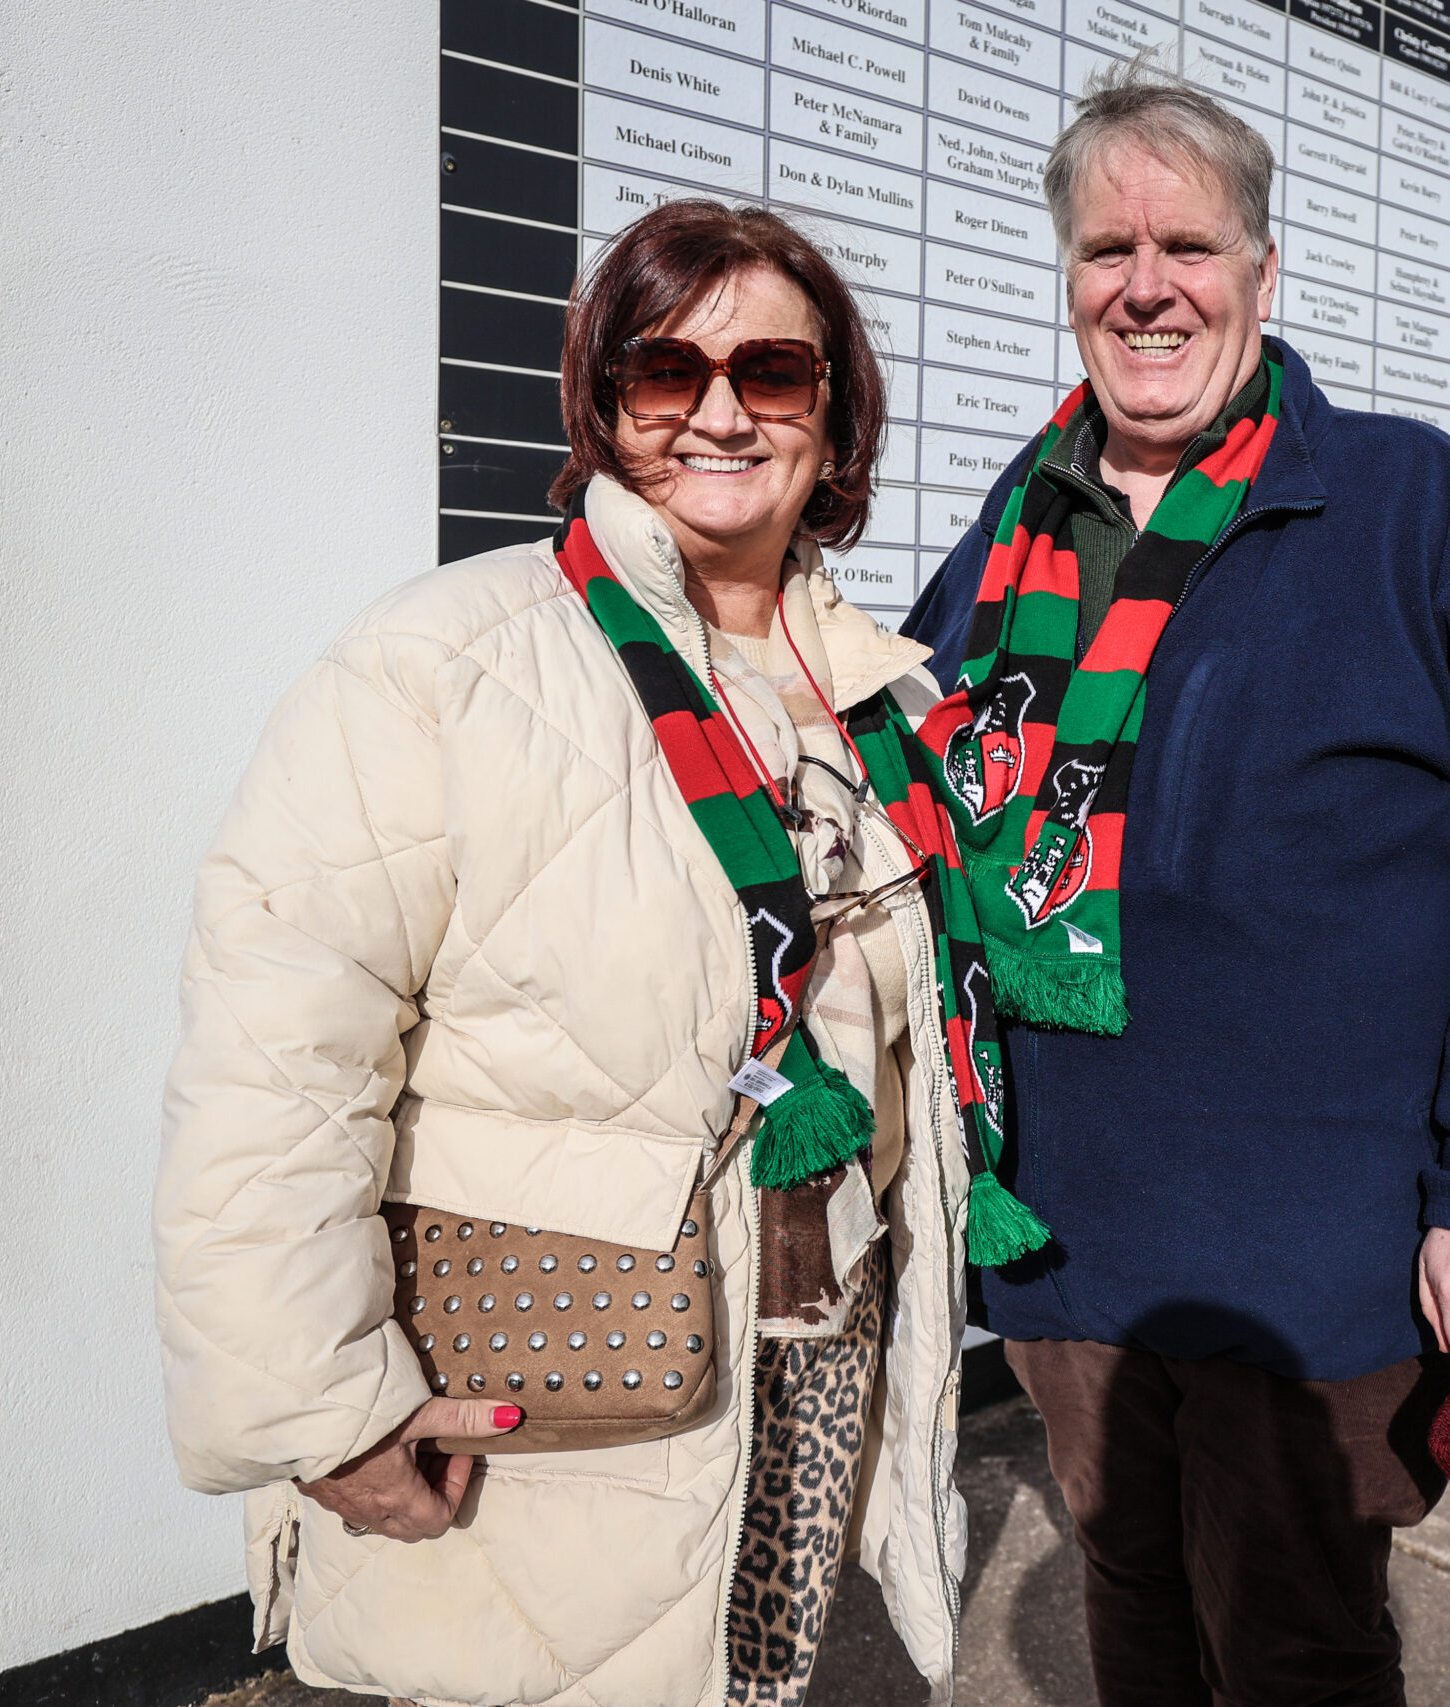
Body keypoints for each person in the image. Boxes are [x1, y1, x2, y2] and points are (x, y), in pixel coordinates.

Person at [899, 57, 1450, 1705]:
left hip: (1316, 1265)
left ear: (1261, 269)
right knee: (1135, 1619)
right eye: (1108, 251)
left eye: (1188, 246)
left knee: (1298, 1650)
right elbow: (916, 810)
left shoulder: (1403, 505)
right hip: (1070, 1250)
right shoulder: (1016, 529)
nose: (1147, 287)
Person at [154, 201, 975, 1706]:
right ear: (605, 401)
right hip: (552, 1414)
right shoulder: (443, 663)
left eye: (772, 373)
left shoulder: (876, 699)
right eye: (668, 370)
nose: (721, 413)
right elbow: (274, 1070)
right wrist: (324, 1411)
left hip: (805, 1366)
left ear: (834, 414)